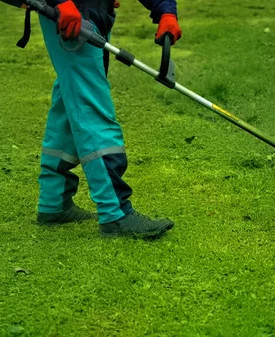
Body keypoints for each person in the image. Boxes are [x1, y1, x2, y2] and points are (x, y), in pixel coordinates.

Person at [35, 0, 182, 239]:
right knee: (91, 108)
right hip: (70, 15)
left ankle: (54, 201)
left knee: (70, 100)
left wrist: (166, 10)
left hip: (95, 13)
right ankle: (115, 214)